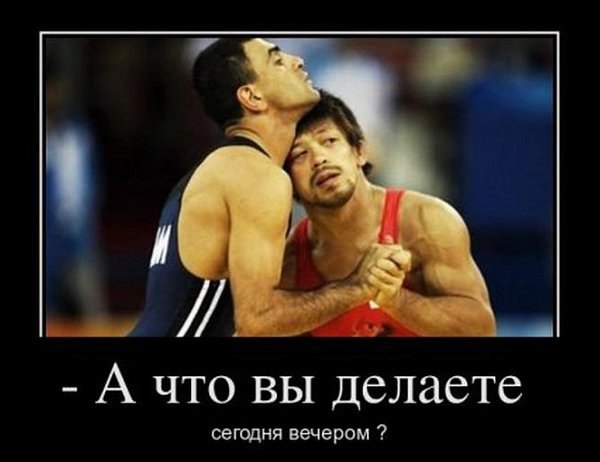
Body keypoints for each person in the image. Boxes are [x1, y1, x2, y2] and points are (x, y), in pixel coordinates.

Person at [130, 39, 406, 337]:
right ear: (252, 97)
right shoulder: (255, 175)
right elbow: (257, 320)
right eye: (277, 61)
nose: (297, 61)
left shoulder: (225, 168)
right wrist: (358, 287)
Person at [279, 90, 495, 336]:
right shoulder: (290, 260)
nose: (319, 159)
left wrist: (395, 299)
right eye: (300, 154)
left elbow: (482, 330)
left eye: (329, 141)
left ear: (360, 151)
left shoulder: (425, 221)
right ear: (287, 181)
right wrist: (353, 290)